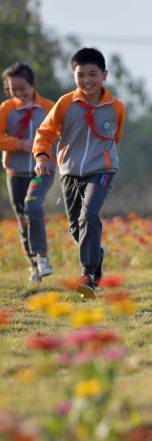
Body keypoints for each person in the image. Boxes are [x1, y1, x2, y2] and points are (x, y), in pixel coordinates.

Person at [33, 48, 126, 299]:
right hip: (70, 172)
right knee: (76, 227)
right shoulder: (65, 104)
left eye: (93, 74)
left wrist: (104, 158)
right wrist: (42, 156)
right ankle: (97, 256)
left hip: (102, 170)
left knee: (89, 215)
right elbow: (45, 132)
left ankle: (89, 274)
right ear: (74, 75)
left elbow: (115, 138)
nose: (87, 80)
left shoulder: (116, 108)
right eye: (80, 75)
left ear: (104, 75)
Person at [0, 62, 56, 284]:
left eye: (23, 88)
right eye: (14, 90)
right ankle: (34, 265)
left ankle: (42, 258)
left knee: (33, 205)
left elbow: (59, 133)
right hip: (15, 172)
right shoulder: (5, 109)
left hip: (42, 169)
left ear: (33, 84)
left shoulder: (49, 107)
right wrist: (20, 144)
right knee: (22, 219)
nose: (19, 93)